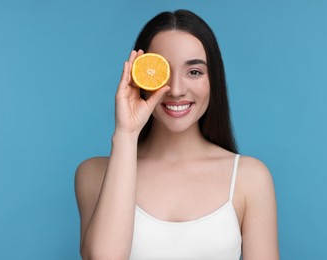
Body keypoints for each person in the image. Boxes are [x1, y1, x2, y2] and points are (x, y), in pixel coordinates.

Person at [75, 9, 279, 260]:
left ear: (213, 80)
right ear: (141, 79)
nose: (177, 90)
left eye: (194, 72)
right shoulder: (93, 174)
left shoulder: (250, 178)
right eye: (163, 72)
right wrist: (126, 134)